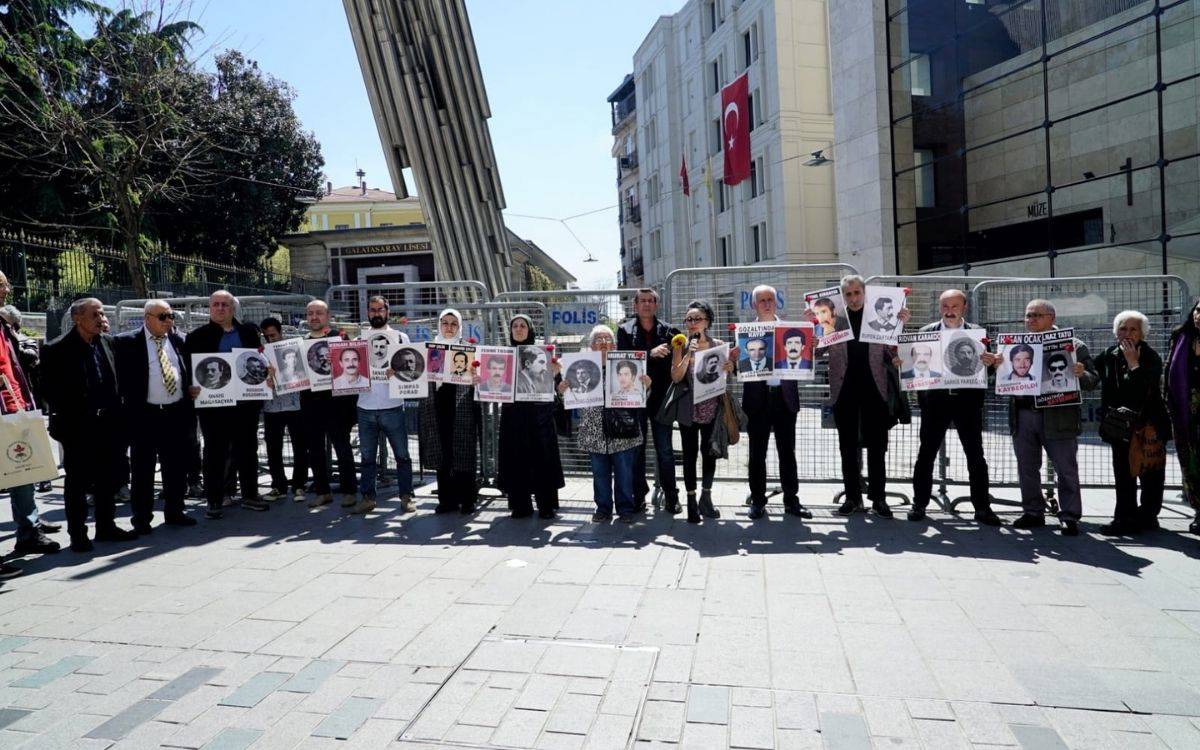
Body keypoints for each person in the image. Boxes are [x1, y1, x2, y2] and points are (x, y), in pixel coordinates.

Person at [991, 299, 1097, 536]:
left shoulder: (1073, 345)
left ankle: (1069, 516)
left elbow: (1093, 380)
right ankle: (1033, 512)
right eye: (1028, 316)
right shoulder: (1014, 347)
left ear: (1052, 318)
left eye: (1037, 315)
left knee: (1065, 468)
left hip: (1058, 417)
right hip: (1023, 415)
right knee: (1027, 467)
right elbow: (996, 382)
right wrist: (996, 366)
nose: (1031, 320)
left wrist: (1081, 373)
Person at [41, 298, 137, 551]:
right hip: (78, 427)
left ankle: (106, 527)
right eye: (95, 314)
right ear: (77, 318)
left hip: (109, 423)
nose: (100, 318)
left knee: (108, 479)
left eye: (102, 313)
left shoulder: (107, 343)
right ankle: (78, 534)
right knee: (78, 483)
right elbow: (49, 390)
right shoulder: (57, 349)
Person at [811, 275, 910, 518]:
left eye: (857, 293)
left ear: (864, 293)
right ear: (842, 297)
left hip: (875, 390)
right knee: (847, 448)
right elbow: (818, 350)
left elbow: (894, 349)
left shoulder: (879, 318)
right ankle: (852, 498)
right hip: (844, 392)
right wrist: (811, 332)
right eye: (848, 294)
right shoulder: (834, 320)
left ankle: (879, 499)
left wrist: (902, 325)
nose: (853, 298)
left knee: (877, 447)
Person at [902, 289, 1000, 525]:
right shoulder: (926, 333)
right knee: (926, 454)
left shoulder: (978, 334)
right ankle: (919, 504)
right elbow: (913, 364)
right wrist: (903, 362)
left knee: (975, 455)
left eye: (954, 306)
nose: (949, 311)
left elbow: (990, 370)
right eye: (945, 306)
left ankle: (982, 507)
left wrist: (991, 362)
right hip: (935, 402)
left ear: (963, 308)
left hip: (967, 402)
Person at [113, 299, 197, 535]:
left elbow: (186, 371)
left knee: (176, 466)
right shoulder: (127, 342)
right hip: (144, 415)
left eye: (171, 316)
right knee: (143, 469)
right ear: (147, 317)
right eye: (163, 317)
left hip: (175, 412)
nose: (169, 321)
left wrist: (190, 388)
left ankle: (175, 511)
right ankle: (141, 518)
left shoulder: (178, 340)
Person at [185, 290, 266, 518]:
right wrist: (190, 388)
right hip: (213, 407)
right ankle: (214, 500)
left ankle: (250, 495)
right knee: (214, 453)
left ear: (233, 308)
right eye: (216, 305)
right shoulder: (197, 336)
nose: (220, 308)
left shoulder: (249, 332)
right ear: (209, 308)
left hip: (246, 404)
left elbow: (260, 360)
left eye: (225, 305)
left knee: (248, 449)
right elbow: (188, 370)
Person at [0, 276, 58, 568]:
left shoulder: (2, 324)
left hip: (14, 407)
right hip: (3, 408)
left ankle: (28, 530)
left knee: (22, 471)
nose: (8, 290)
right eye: (2, 286)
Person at [1094, 310, 1169, 535]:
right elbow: (1091, 373)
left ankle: (1148, 516)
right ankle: (1124, 517)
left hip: (1149, 424)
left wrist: (1133, 364)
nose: (1128, 333)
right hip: (1120, 426)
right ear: (1116, 332)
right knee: (1123, 473)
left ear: (1142, 334)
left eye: (1133, 329)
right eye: (1123, 329)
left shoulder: (1150, 356)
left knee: (1150, 471)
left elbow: (1145, 390)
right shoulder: (1108, 354)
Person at [564, 325, 648, 523]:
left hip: (623, 429)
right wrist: (563, 388)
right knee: (599, 474)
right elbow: (570, 397)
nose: (603, 343)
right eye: (598, 340)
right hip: (594, 430)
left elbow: (640, 398)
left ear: (615, 344)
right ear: (591, 346)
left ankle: (625, 509)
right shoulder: (579, 368)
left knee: (624, 473)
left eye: (607, 339)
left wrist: (646, 386)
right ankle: (603, 508)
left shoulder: (625, 366)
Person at [744, 285, 810, 520]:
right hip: (757, 400)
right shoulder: (746, 332)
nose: (766, 303)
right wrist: (733, 360)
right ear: (754, 305)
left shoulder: (790, 330)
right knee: (757, 454)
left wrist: (813, 331)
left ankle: (791, 500)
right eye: (761, 300)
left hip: (784, 399)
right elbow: (739, 369)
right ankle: (758, 501)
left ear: (777, 302)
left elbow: (809, 356)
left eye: (770, 299)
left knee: (787, 452)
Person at [669, 300, 731, 523]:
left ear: (707, 321)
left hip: (711, 408)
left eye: (698, 319)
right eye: (689, 319)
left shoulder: (718, 345)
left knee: (709, 453)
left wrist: (728, 368)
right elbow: (676, 377)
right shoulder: (680, 344)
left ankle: (707, 497)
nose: (693, 323)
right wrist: (688, 354)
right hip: (688, 410)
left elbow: (723, 378)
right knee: (689, 454)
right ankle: (691, 502)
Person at [617, 288, 679, 512]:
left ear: (656, 305)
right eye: (642, 301)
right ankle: (639, 496)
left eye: (650, 301)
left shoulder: (670, 331)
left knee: (665, 449)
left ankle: (672, 496)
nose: (646, 304)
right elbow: (622, 360)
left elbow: (677, 361)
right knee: (637, 450)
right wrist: (649, 353)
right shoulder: (624, 331)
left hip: (662, 398)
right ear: (635, 305)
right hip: (635, 399)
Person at [497, 315, 564, 519]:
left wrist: (555, 373)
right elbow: (493, 383)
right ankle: (520, 505)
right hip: (513, 417)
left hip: (540, 416)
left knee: (543, 459)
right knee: (516, 459)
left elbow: (557, 386)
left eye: (522, 326)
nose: (518, 329)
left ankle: (546, 505)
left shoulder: (543, 355)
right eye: (514, 326)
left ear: (530, 329)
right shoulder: (503, 355)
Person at [356, 296, 414, 515]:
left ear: (388, 311)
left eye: (380, 309)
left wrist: (397, 372)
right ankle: (368, 498)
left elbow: (412, 370)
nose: (376, 313)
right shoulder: (359, 340)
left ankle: (406, 497)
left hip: (393, 406)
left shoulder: (400, 337)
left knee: (402, 455)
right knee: (367, 457)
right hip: (365, 407)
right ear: (367, 312)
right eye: (372, 310)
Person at [418, 309, 480, 514]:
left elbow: (479, 379)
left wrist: (475, 377)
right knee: (441, 451)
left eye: (454, 324)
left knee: (464, 450)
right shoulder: (428, 350)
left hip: (462, 405)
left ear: (460, 327)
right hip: (437, 404)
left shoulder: (469, 350)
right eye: (445, 323)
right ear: (439, 325)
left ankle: (468, 499)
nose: (449, 327)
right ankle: (447, 500)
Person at [299, 300, 358, 509]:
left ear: (328, 315)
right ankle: (323, 492)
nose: (314, 317)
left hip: (337, 406)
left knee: (342, 448)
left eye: (319, 313)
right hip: (311, 404)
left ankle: (350, 491)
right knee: (315, 450)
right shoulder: (301, 343)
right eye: (310, 313)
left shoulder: (339, 338)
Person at [260, 318, 309, 503]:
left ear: (280, 332)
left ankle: (299, 486)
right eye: (266, 336)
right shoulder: (261, 352)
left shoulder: (295, 348)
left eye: (272, 335)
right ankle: (278, 486)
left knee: (300, 446)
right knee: (273, 448)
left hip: (295, 404)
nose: (270, 339)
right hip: (272, 406)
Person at [1166, 300, 1200, 534]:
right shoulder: (1181, 336)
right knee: (1190, 463)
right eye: (1199, 310)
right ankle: (1199, 510)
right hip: (1186, 412)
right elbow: (1169, 371)